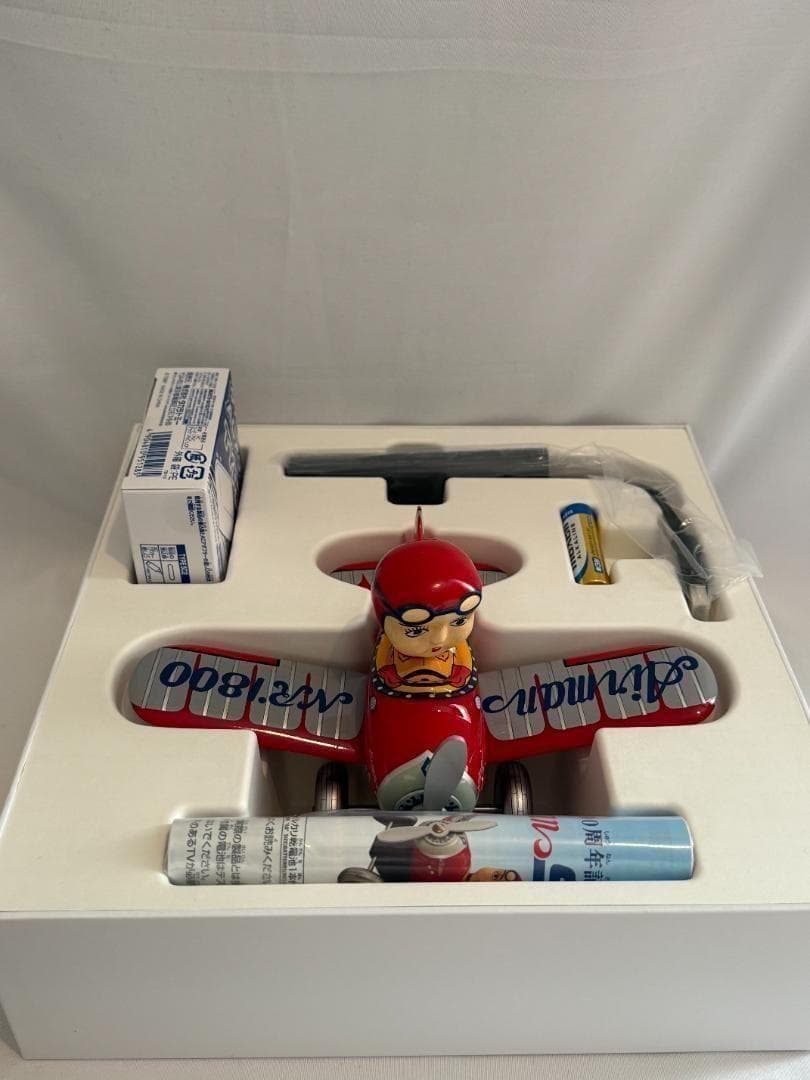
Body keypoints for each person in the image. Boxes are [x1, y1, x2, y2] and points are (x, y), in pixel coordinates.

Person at [370, 514, 482, 698]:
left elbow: (462, 649)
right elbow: (383, 647)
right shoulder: (388, 639)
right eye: (415, 630)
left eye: (459, 621)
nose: (439, 639)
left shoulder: (455, 643)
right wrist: (386, 671)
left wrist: (462, 670)